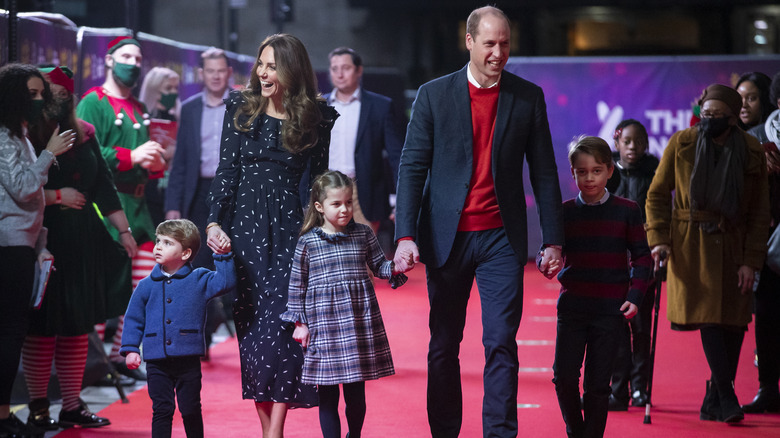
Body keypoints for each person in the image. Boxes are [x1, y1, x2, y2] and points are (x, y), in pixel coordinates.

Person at [392, 6, 565, 437]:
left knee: (501, 342)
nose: (498, 52)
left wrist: (554, 240)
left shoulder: (528, 97)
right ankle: (445, 431)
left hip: (501, 240)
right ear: (468, 41)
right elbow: (412, 167)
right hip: (445, 238)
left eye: (504, 43)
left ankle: (500, 433)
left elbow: (544, 172)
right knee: (443, 346)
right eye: (489, 43)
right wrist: (405, 236)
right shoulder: (433, 95)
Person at [205, 33, 338, 437]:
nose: (264, 73)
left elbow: (318, 183)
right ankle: (268, 431)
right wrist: (213, 222)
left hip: (290, 232)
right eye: (261, 64)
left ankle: (274, 430)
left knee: (283, 326)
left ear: (291, 71)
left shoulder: (315, 117)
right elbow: (226, 171)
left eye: (273, 66)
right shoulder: (240, 108)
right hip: (244, 230)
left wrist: (325, 235)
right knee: (251, 329)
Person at [645, 84, 770, 423]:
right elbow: (657, 194)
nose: (709, 120)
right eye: (706, 114)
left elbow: (760, 211)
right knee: (709, 317)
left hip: (734, 241)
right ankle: (728, 396)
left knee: (734, 321)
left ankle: (714, 394)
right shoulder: (682, 143)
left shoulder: (750, 149)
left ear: (733, 118)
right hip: (690, 243)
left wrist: (750, 261)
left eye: (718, 116)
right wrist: (659, 239)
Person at [21, 66, 136, 431]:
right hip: (44, 238)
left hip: (84, 240)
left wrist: (125, 231)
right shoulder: (25, 134)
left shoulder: (85, 134)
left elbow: (104, 184)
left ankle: (71, 405)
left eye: (62, 93)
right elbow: (16, 186)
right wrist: (56, 197)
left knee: (76, 326)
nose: (56, 99)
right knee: (41, 327)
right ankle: (39, 407)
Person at [541, 135, 652, 438]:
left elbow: (642, 257)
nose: (589, 178)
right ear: (573, 172)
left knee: (598, 385)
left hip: (610, 309)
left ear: (610, 171)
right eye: (582, 171)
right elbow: (549, 251)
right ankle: (576, 431)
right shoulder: (563, 212)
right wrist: (546, 263)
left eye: (596, 171)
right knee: (563, 378)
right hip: (573, 307)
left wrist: (635, 295)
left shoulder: (627, 210)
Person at [281, 171, 407, 438]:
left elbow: (379, 266)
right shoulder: (308, 241)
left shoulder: (362, 233)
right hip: (323, 325)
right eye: (336, 204)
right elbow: (296, 285)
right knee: (327, 394)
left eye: (348, 202)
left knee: (355, 391)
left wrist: (396, 266)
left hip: (356, 323)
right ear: (320, 207)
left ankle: (355, 435)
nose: (345, 209)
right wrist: (300, 323)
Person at [77, 35, 166, 382]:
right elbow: (86, 159)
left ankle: (120, 357)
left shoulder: (140, 109)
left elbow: (148, 163)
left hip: (139, 206)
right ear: (110, 60)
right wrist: (132, 157)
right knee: (104, 288)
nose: (133, 62)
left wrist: (156, 162)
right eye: (126, 55)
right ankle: (93, 363)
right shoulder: (93, 102)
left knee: (141, 287)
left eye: (138, 57)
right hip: (108, 207)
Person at [0, 63, 75, 437]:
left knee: (12, 333)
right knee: (10, 333)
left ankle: (2, 413)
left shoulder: (21, 135)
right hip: (8, 247)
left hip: (23, 244)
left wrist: (40, 244)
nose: (39, 100)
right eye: (31, 93)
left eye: (40, 93)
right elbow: (24, 189)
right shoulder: (4, 137)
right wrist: (49, 153)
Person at [120, 219, 236, 438]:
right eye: (158, 241)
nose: (158, 247)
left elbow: (225, 282)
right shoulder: (145, 285)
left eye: (167, 242)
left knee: (190, 408)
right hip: (156, 362)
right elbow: (133, 318)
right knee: (162, 409)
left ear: (185, 253)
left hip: (187, 359)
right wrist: (131, 348)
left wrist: (223, 255)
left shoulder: (199, 278)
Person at [165, 48, 234, 356]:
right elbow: (180, 162)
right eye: (210, 70)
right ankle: (200, 338)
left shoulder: (243, 106)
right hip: (198, 194)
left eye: (221, 70)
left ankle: (242, 328)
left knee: (237, 263)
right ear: (202, 74)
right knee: (197, 269)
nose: (216, 75)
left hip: (236, 192)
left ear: (229, 73)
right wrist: (173, 207)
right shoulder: (191, 109)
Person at [605, 119, 659, 411]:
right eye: (627, 141)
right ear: (617, 142)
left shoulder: (655, 171)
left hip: (644, 259)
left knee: (640, 328)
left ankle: (641, 390)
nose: (633, 147)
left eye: (639, 142)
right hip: (612, 260)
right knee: (615, 328)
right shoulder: (606, 171)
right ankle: (618, 391)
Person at [324, 47, 403, 232]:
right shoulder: (319, 106)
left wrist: (402, 199)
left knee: (362, 256)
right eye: (334, 68)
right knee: (327, 256)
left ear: (359, 70)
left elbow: (396, 156)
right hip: (326, 187)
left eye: (346, 68)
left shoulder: (380, 106)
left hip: (364, 192)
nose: (339, 74)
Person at [742, 71, 780, 414]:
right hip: (769, 244)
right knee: (767, 316)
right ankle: (768, 388)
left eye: (751, 97)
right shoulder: (755, 139)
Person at [139, 66, 181, 227]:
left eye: (175, 88)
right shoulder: (142, 119)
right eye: (168, 88)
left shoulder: (178, 118)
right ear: (154, 90)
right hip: (148, 192)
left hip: (172, 191)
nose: (173, 93)